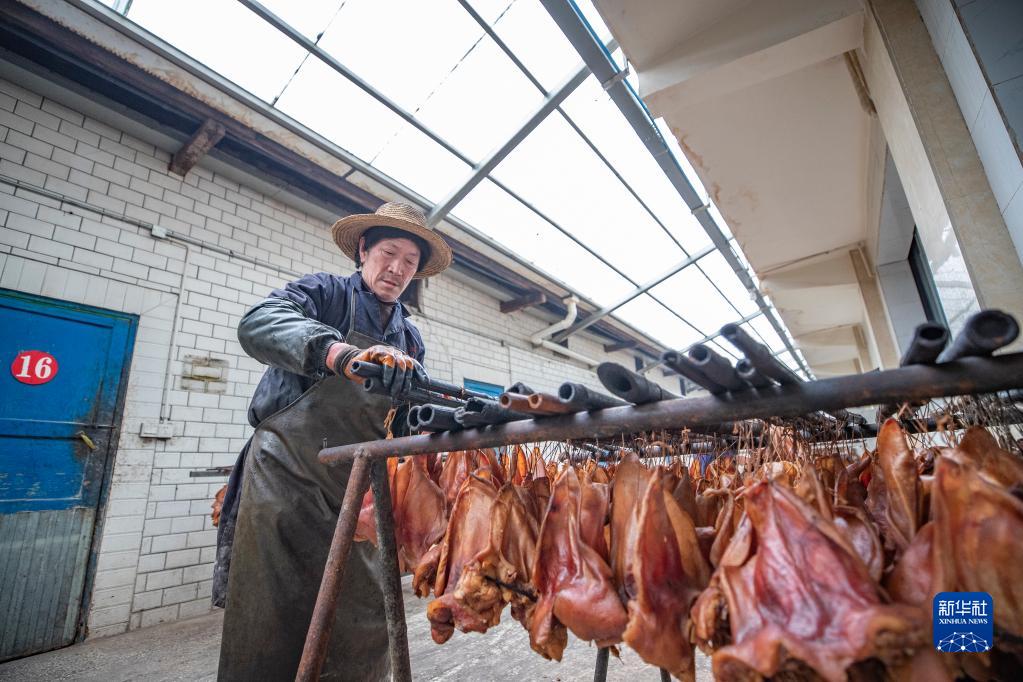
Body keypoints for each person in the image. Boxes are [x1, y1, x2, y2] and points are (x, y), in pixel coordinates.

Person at [215, 202, 452, 681]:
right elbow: (259, 321)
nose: (397, 269)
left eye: (410, 262)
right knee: (273, 616)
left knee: (362, 615)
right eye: (389, 253)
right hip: (287, 480)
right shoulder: (326, 294)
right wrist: (337, 353)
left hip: (359, 494)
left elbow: (402, 421)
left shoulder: (409, 338)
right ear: (363, 250)